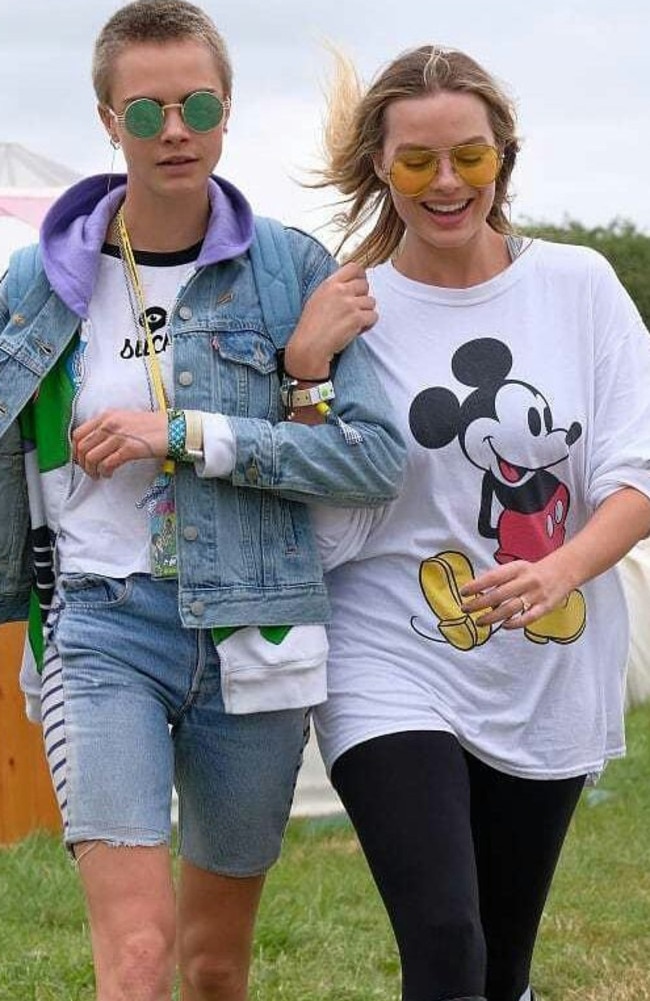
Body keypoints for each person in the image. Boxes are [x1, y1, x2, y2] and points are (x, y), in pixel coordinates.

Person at [0, 3, 405, 999]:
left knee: (215, 965)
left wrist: (181, 432)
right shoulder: (40, 276)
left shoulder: (289, 271)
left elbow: (369, 459)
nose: (171, 130)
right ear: (107, 121)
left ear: (225, 113)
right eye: (144, 112)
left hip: (253, 628)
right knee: (135, 956)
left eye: (195, 105)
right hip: (100, 625)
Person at [285, 44, 650, 1001]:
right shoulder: (346, 305)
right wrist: (306, 374)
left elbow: (636, 474)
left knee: (501, 963)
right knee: (446, 941)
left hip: (547, 658)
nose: (446, 183)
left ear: (504, 160)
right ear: (380, 167)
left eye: (470, 158)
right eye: (416, 162)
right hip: (388, 651)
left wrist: (563, 567)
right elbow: (313, 502)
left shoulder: (579, 286)